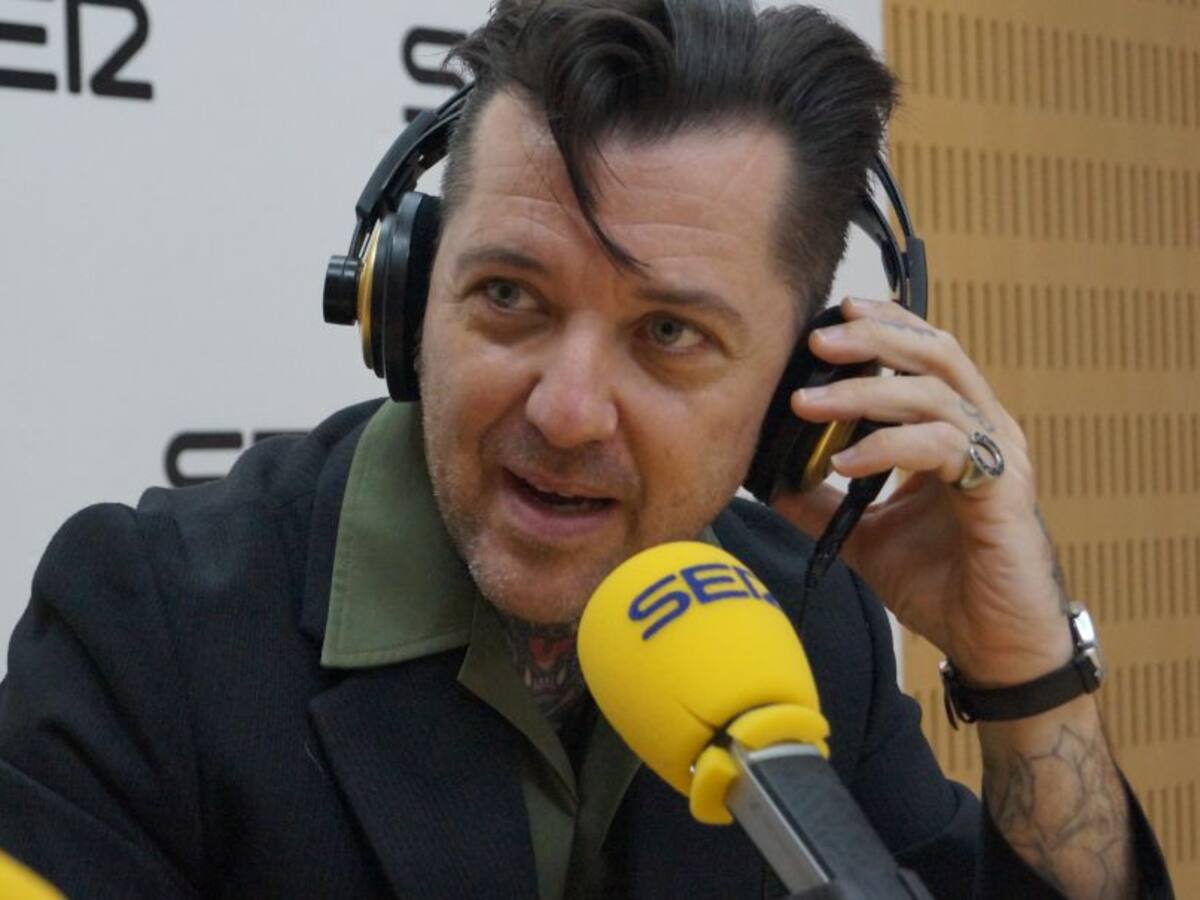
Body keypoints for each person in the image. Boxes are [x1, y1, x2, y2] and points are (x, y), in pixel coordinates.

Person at [0, 1, 1172, 897]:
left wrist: (1024, 670)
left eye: (668, 334)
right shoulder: (146, 626)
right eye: (510, 296)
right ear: (409, 301)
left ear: (800, 396)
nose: (566, 412)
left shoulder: (810, 629)